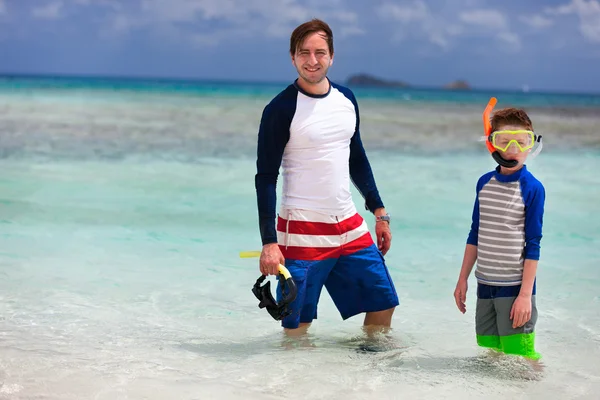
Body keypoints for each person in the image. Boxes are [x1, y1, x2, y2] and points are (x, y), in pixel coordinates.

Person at [254, 18, 399, 336]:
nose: (312, 60)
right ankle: (295, 383)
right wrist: (269, 243)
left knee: (382, 302)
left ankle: (369, 374)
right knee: (297, 324)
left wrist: (379, 211)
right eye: (303, 52)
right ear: (293, 57)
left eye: (319, 52)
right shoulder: (280, 109)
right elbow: (265, 178)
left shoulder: (346, 99)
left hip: (349, 227)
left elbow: (356, 157)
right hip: (301, 233)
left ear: (332, 56)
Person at [453, 101, 545, 362]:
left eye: (521, 142)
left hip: (514, 288)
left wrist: (525, 295)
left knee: (521, 359)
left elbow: (533, 243)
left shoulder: (532, 188)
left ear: (531, 144)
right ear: (491, 143)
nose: (513, 150)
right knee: (491, 356)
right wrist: (463, 279)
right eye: (504, 141)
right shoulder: (484, 183)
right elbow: (475, 234)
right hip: (485, 285)